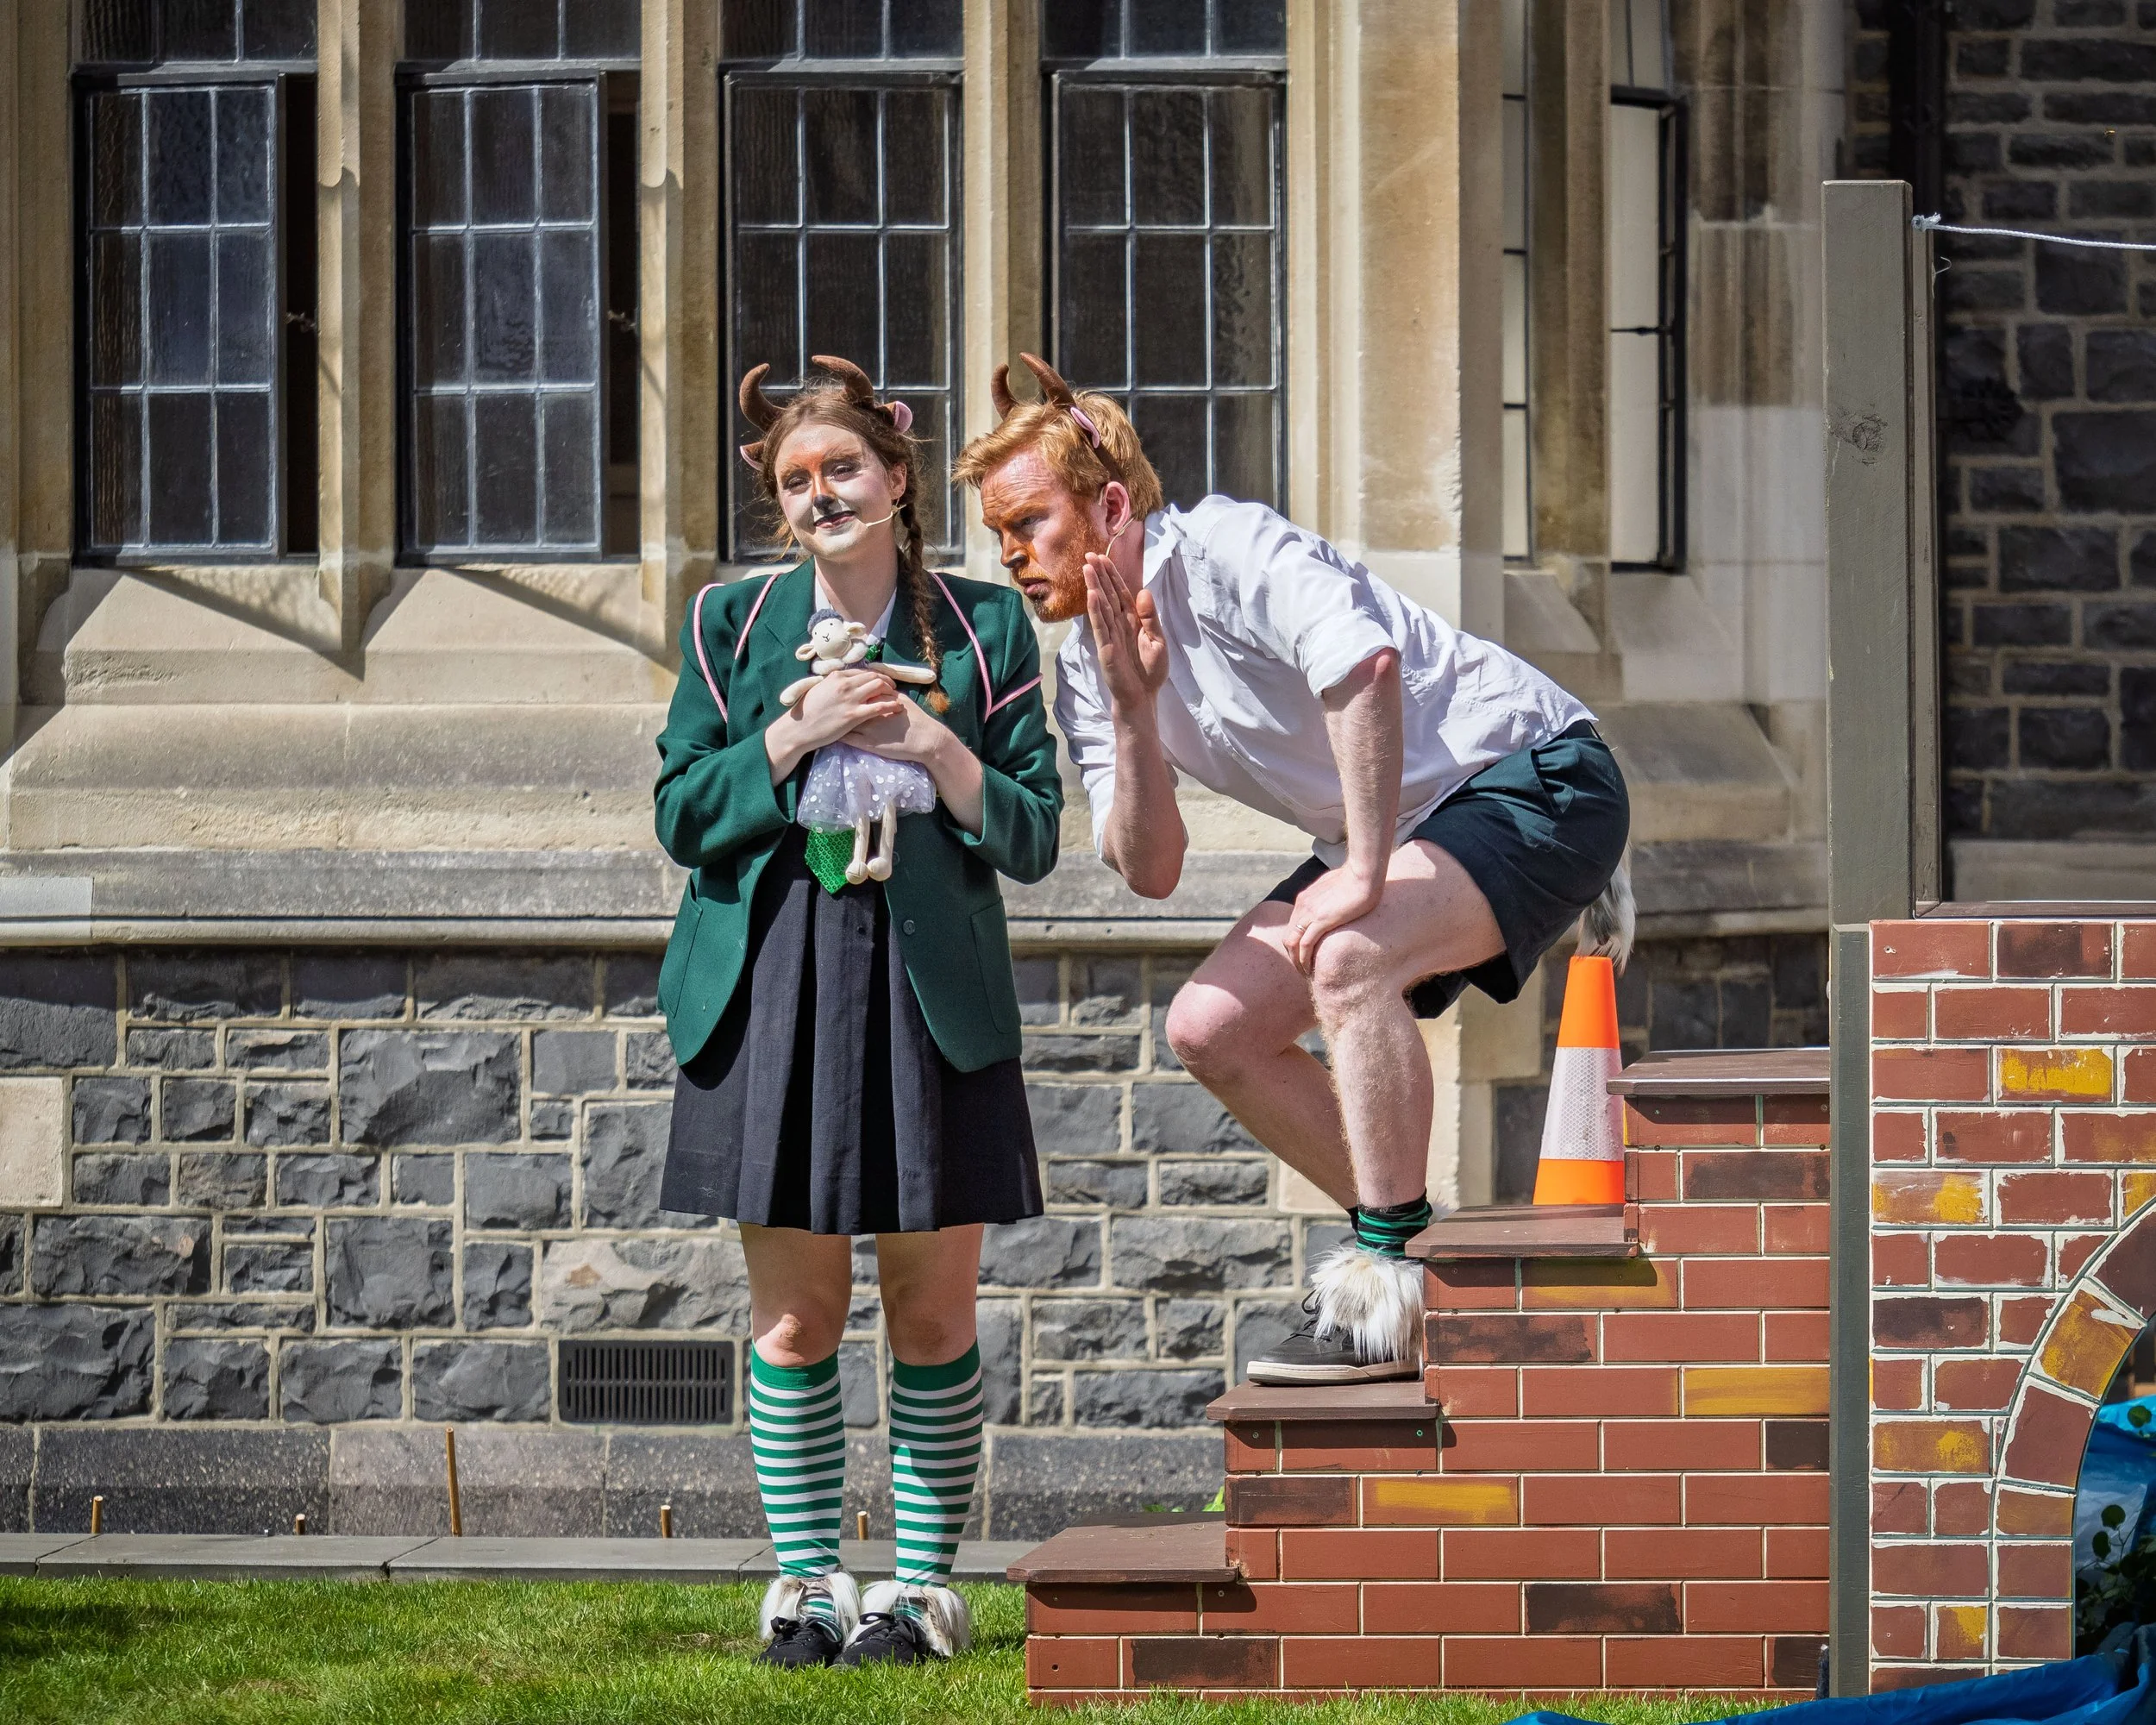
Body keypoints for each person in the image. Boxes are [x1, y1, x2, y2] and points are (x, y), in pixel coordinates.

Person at [953, 355, 1631, 1388]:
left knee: (1349, 951)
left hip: (1536, 776)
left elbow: (1363, 664)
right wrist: (1134, 711)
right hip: (1403, 823)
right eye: (999, 537)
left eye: (1029, 524)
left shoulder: (1225, 544)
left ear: (1113, 504)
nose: (1012, 555)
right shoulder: (1089, 667)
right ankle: (1416, 1256)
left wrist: (1361, 869)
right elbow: (1151, 867)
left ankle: (1387, 1281)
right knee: (1208, 1027)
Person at [654, 356, 1061, 1666]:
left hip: (928, 985)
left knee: (932, 1315)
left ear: (894, 478)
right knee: (795, 1318)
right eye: (796, 482)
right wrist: (797, 732)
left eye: (842, 470)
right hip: (775, 976)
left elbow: (1039, 833)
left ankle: (922, 1594)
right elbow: (681, 815)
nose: (821, 493)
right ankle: (810, 1586)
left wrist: (934, 752)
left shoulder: (987, 629)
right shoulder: (729, 625)